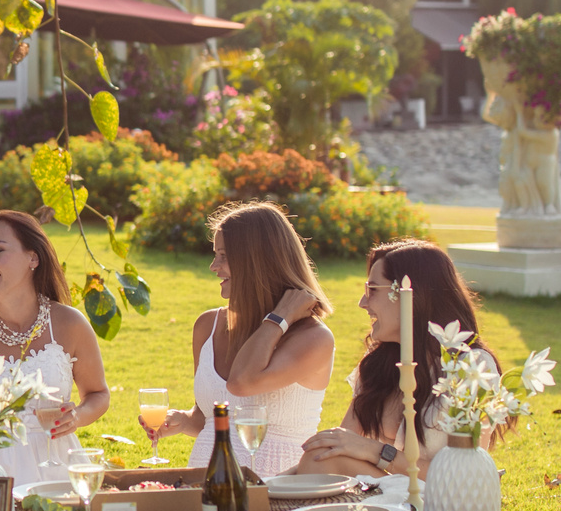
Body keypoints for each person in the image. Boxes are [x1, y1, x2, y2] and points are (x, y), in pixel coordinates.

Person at [0, 211, 110, 494]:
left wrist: (77, 416)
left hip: (55, 467)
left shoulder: (71, 323)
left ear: (33, 258)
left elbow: (98, 394)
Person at [293, 238, 503, 480]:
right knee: (319, 456)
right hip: (389, 494)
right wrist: (269, 485)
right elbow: (336, 446)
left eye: (372, 290)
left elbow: (462, 475)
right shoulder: (379, 365)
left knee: (320, 462)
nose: (363, 303)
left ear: (410, 296)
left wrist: (377, 451)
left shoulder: (472, 368)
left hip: (440, 500)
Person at [157, 201, 334, 475]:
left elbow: (242, 382)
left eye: (224, 256)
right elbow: (207, 420)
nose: (213, 266)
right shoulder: (208, 326)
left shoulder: (313, 338)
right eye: (215, 254)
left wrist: (279, 318)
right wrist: (181, 421)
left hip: (276, 493)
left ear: (259, 261)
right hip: (203, 485)